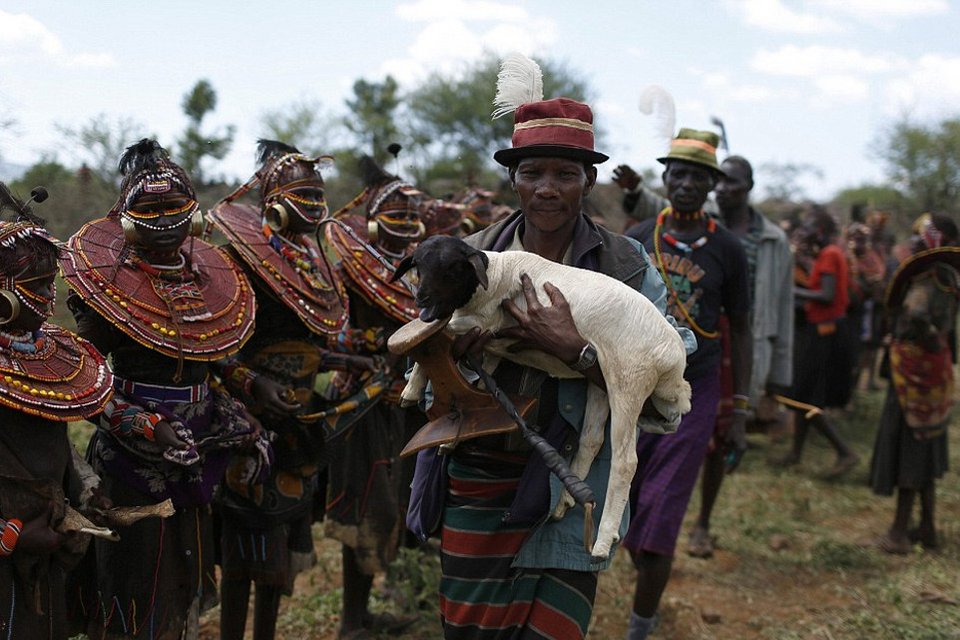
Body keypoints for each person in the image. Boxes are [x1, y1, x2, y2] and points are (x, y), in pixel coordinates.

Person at [406, 53, 695, 640]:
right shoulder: (465, 257)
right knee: (471, 629)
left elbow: (669, 390)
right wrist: (447, 361)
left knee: (555, 631)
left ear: (589, 181)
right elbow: (418, 355)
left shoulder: (627, 267)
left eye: (565, 174)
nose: (548, 188)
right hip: (480, 472)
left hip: (570, 482)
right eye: (533, 171)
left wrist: (579, 353)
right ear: (512, 178)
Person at [60, 139, 272, 639]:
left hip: (197, 449)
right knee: (136, 584)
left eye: (173, 206)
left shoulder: (208, 279)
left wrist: (251, 383)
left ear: (193, 212)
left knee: (184, 574)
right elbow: (79, 381)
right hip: (134, 461)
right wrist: (147, 426)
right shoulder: (109, 290)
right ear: (125, 217)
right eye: (148, 209)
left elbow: (216, 360)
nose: (163, 219)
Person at [207, 140, 378, 640]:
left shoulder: (310, 261)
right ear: (274, 203)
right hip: (250, 426)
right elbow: (213, 347)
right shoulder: (235, 261)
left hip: (299, 423)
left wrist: (345, 358)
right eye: (302, 196)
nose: (315, 207)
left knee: (278, 553)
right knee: (245, 553)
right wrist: (253, 385)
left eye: (318, 196)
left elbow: (304, 345)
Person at [623, 128, 752, 639]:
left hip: (692, 393)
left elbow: (739, 327)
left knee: (661, 513)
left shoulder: (729, 249)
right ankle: (646, 580)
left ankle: (641, 626)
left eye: (699, 177)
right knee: (630, 503)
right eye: (680, 174)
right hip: (634, 387)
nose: (687, 184)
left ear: (711, 186)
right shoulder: (636, 238)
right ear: (666, 177)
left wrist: (739, 409)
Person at [0, 184, 114, 639]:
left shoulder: (47, 355)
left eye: (52, 283)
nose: (49, 297)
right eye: (36, 287)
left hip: (45, 530)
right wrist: (11, 535)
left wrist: (85, 493)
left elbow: (56, 442)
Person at [683, 155, 794, 558]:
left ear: (749, 186)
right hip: (695, 335)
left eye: (734, 182)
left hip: (740, 341)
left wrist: (778, 374)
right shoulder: (696, 219)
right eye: (721, 181)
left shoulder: (773, 240)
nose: (725, 188)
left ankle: (703, 523)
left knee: (722, 430)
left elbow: (780, 308)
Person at [869, 213, 959, 554]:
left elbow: (917, 315)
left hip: (914, 371)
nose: (915, 242)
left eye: (921, 237)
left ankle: (898, 532)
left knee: (909, 442)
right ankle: (928, 526)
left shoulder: (927, 279)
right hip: (934, 371)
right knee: (927, 439)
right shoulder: (948, 277)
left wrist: (924, 337)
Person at [774, 206, 860, 476]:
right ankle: (796, 453)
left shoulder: (830, 254)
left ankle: (844, 452)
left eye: (809, 227)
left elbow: (826, 295)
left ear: (820, 231)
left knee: (806, 395)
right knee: (803, 393)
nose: (804, 232)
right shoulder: (827, 254)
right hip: (821, 330)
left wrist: (789, 290)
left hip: (824, 334)